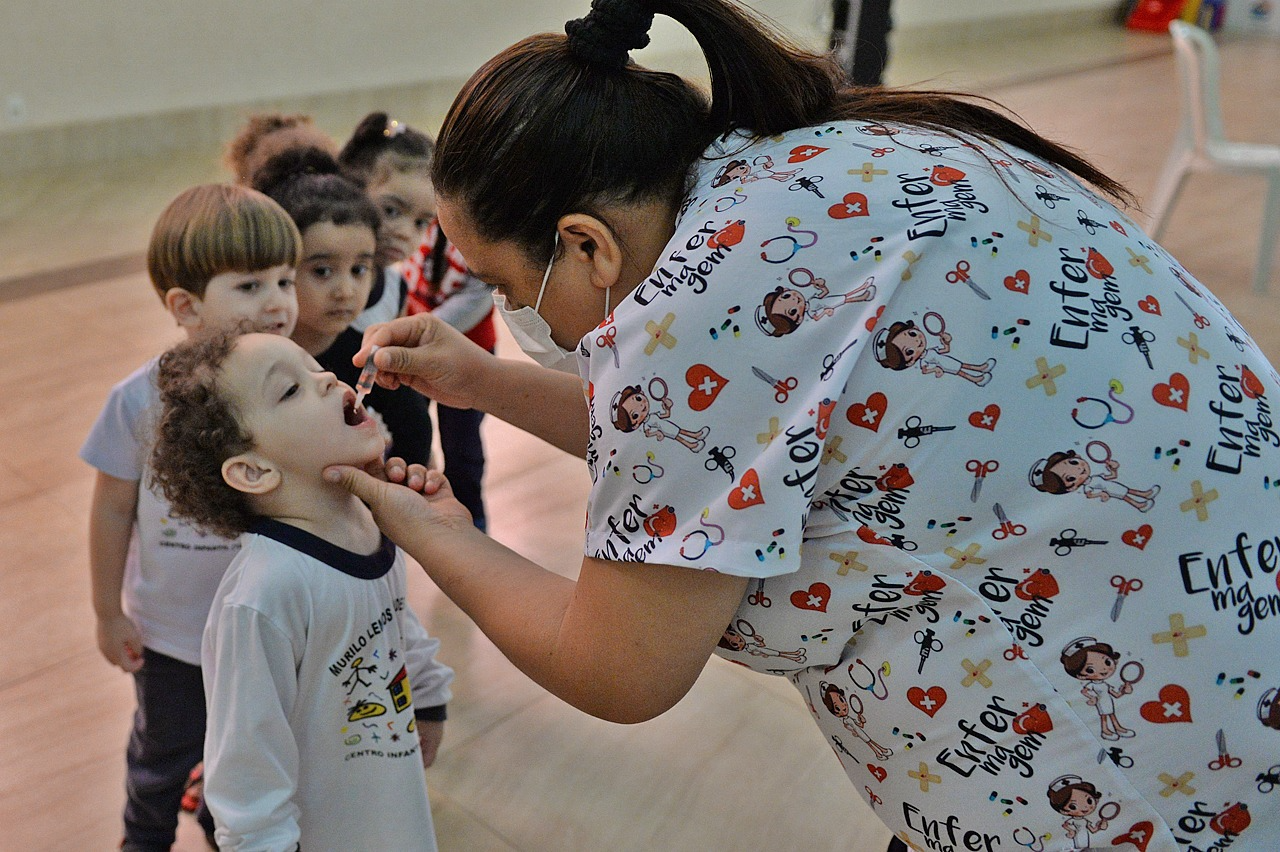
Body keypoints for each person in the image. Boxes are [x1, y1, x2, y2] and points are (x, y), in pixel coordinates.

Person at [328, 0, 1279, 848]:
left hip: (1145, 770)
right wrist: (486, 383)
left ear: (586, 243)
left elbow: (619, 668)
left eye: (500, 285)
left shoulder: (695, 316)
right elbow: (738, 443)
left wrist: (433, 529)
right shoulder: (807, 166)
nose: (507, 309)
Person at [149, 330, 453, 851]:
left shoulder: (370, 520)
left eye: (315, 368)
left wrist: (426, 697)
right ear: (253, 470)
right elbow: (246, 763)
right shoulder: (263, 595)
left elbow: (394, 620)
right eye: (291, 390)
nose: (330, 379)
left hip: (389, 805)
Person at [80, 183, 301, 851]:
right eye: (250, 283)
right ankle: (144, 837)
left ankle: (223, 825)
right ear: (186, 306)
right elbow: (113, 508)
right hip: (173, 639)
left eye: (286, 279)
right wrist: (106, 610)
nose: (278, 301)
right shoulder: (137, 401)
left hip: (266, 631)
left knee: (251, 756)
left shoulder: (296, 390)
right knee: (159, 760)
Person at [225, 116, 436, 468]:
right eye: (322, 271)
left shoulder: (368, 359)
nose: (345, 291)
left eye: (359, 269)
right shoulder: (245, 358)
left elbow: (414, 430)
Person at [338, 112, 494, 530]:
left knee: (463, 446)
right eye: (391, 210)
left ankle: (471, 520)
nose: (405, 233)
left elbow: (477, 295)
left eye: (421, 222)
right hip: (413, 349)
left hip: (465, 348)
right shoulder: (368, 287)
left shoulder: (399, 283)